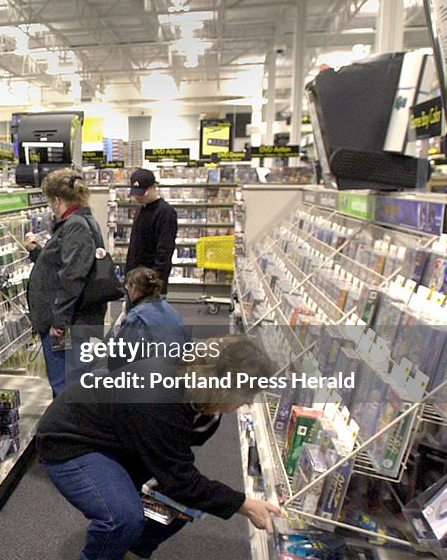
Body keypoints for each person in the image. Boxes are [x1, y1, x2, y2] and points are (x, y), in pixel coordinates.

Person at [35, 335, 283, 560]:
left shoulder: (200, 397)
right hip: (71, 439)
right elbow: (179, 478)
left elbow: (176, 466)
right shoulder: (163, 399)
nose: (249, 401)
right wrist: (245, 505)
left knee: (178, 507)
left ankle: (131, 553)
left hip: (121, 440)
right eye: (247, 393)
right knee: (121, 518)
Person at [24, 169, 108, 397]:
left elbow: (73, 276)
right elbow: (65, 264)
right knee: (68, 382)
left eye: (51, 201)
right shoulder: (78, 223)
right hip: (67, 321)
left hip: (65, 325)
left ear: (58, 200)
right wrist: (38, 253)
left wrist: (59, 322)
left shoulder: (76, 225)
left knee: (66, 386)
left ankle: (69, 430)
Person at [107, 266, 189, 371]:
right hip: (178, 375)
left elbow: (117, 360)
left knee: (93, 377)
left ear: (134, 288)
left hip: (149, 379)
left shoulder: (136, 317)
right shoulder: (172, 312)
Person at [124, 168, 178, 296]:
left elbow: (164, 252)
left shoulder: (166, 212)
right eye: (135, 193)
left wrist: (153, 283)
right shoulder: (140, 210)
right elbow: (135, 247)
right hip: (134, 282)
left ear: (154, 187)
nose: (138, 197)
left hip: (150, 285)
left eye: (142, 193)